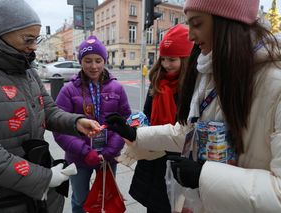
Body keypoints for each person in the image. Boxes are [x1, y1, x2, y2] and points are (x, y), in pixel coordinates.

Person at [105, 0, 281, 212]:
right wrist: (135, 135)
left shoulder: (274, 85)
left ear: (229, 23)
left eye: (197, 24)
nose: (190, 36)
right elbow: (190, 133)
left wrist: (203, 175)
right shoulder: (214, 73)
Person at [0, 0, 100, 212]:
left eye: (37, 39)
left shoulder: (25, 69)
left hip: (27, 194)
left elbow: (48, 110)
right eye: (28, 39)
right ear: (1, 33)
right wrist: (43, 178)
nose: (34, 46)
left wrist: (76, 122)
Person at [53, 35, 131, 213]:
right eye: (88, 61)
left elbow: (125, 121)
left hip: (108, 156)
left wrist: (111, 149)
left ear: (105, 60)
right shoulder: (68, 90)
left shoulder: (117, 88)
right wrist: (84, 151)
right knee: (80, 200)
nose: (93, 66)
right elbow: (60, 127)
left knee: (106, 198)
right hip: (78, 157)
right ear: (80, 61)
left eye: (98, 60)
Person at [129, 24, 193, 213]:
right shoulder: (157, 81)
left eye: (172, 59)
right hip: (153, 156)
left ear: (186, 58)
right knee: (155, 206)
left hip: (178, 162)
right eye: (163, 58)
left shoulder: (193, 87)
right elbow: (147, 116)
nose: (165, 64)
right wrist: (136, 125)